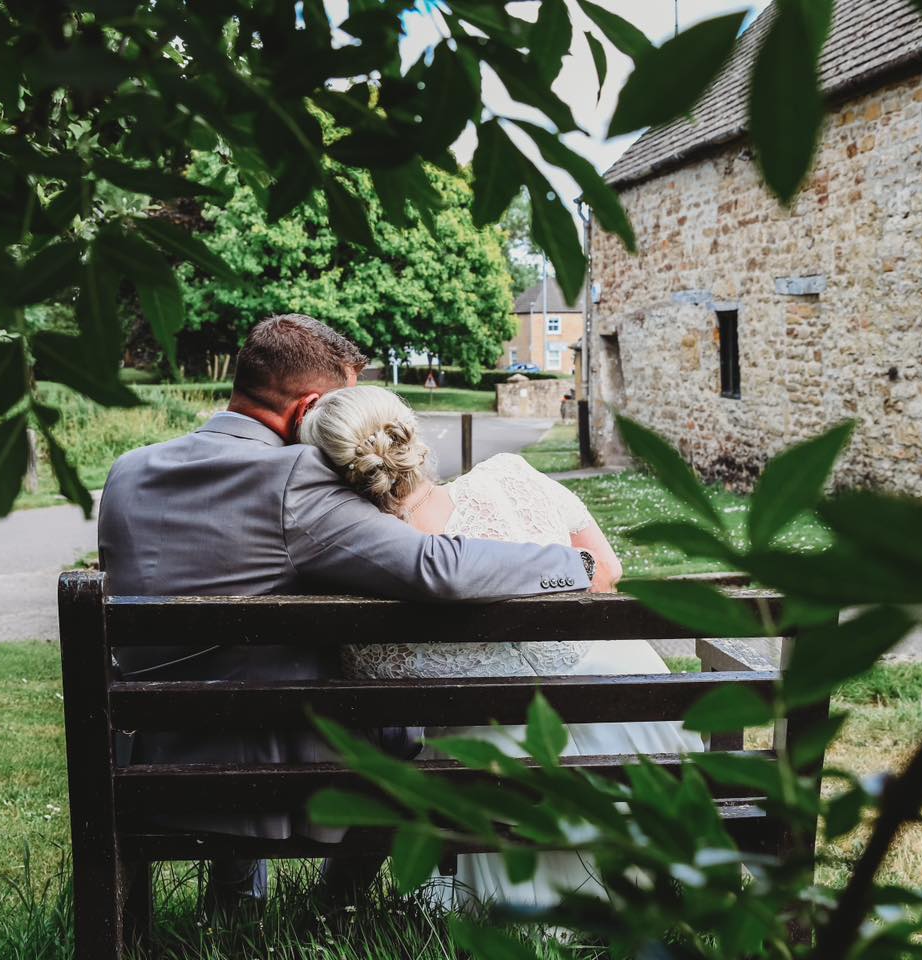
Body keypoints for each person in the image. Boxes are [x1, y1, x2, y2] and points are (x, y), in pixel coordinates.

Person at [97, 315, 596, 911]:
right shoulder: (296, 479)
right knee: (396, 724)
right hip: (261, 764)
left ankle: (235, 899)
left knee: (256, 673)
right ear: (308, 406)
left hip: (146, 758)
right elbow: (434, 567)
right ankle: (339, 903)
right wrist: (574, 566)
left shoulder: (129, 472)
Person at [299, 385, 704, 909]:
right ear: (411, 433)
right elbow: (606, 570)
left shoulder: (368, 574)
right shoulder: (513, 475)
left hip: (506, 775)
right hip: (639, 722)